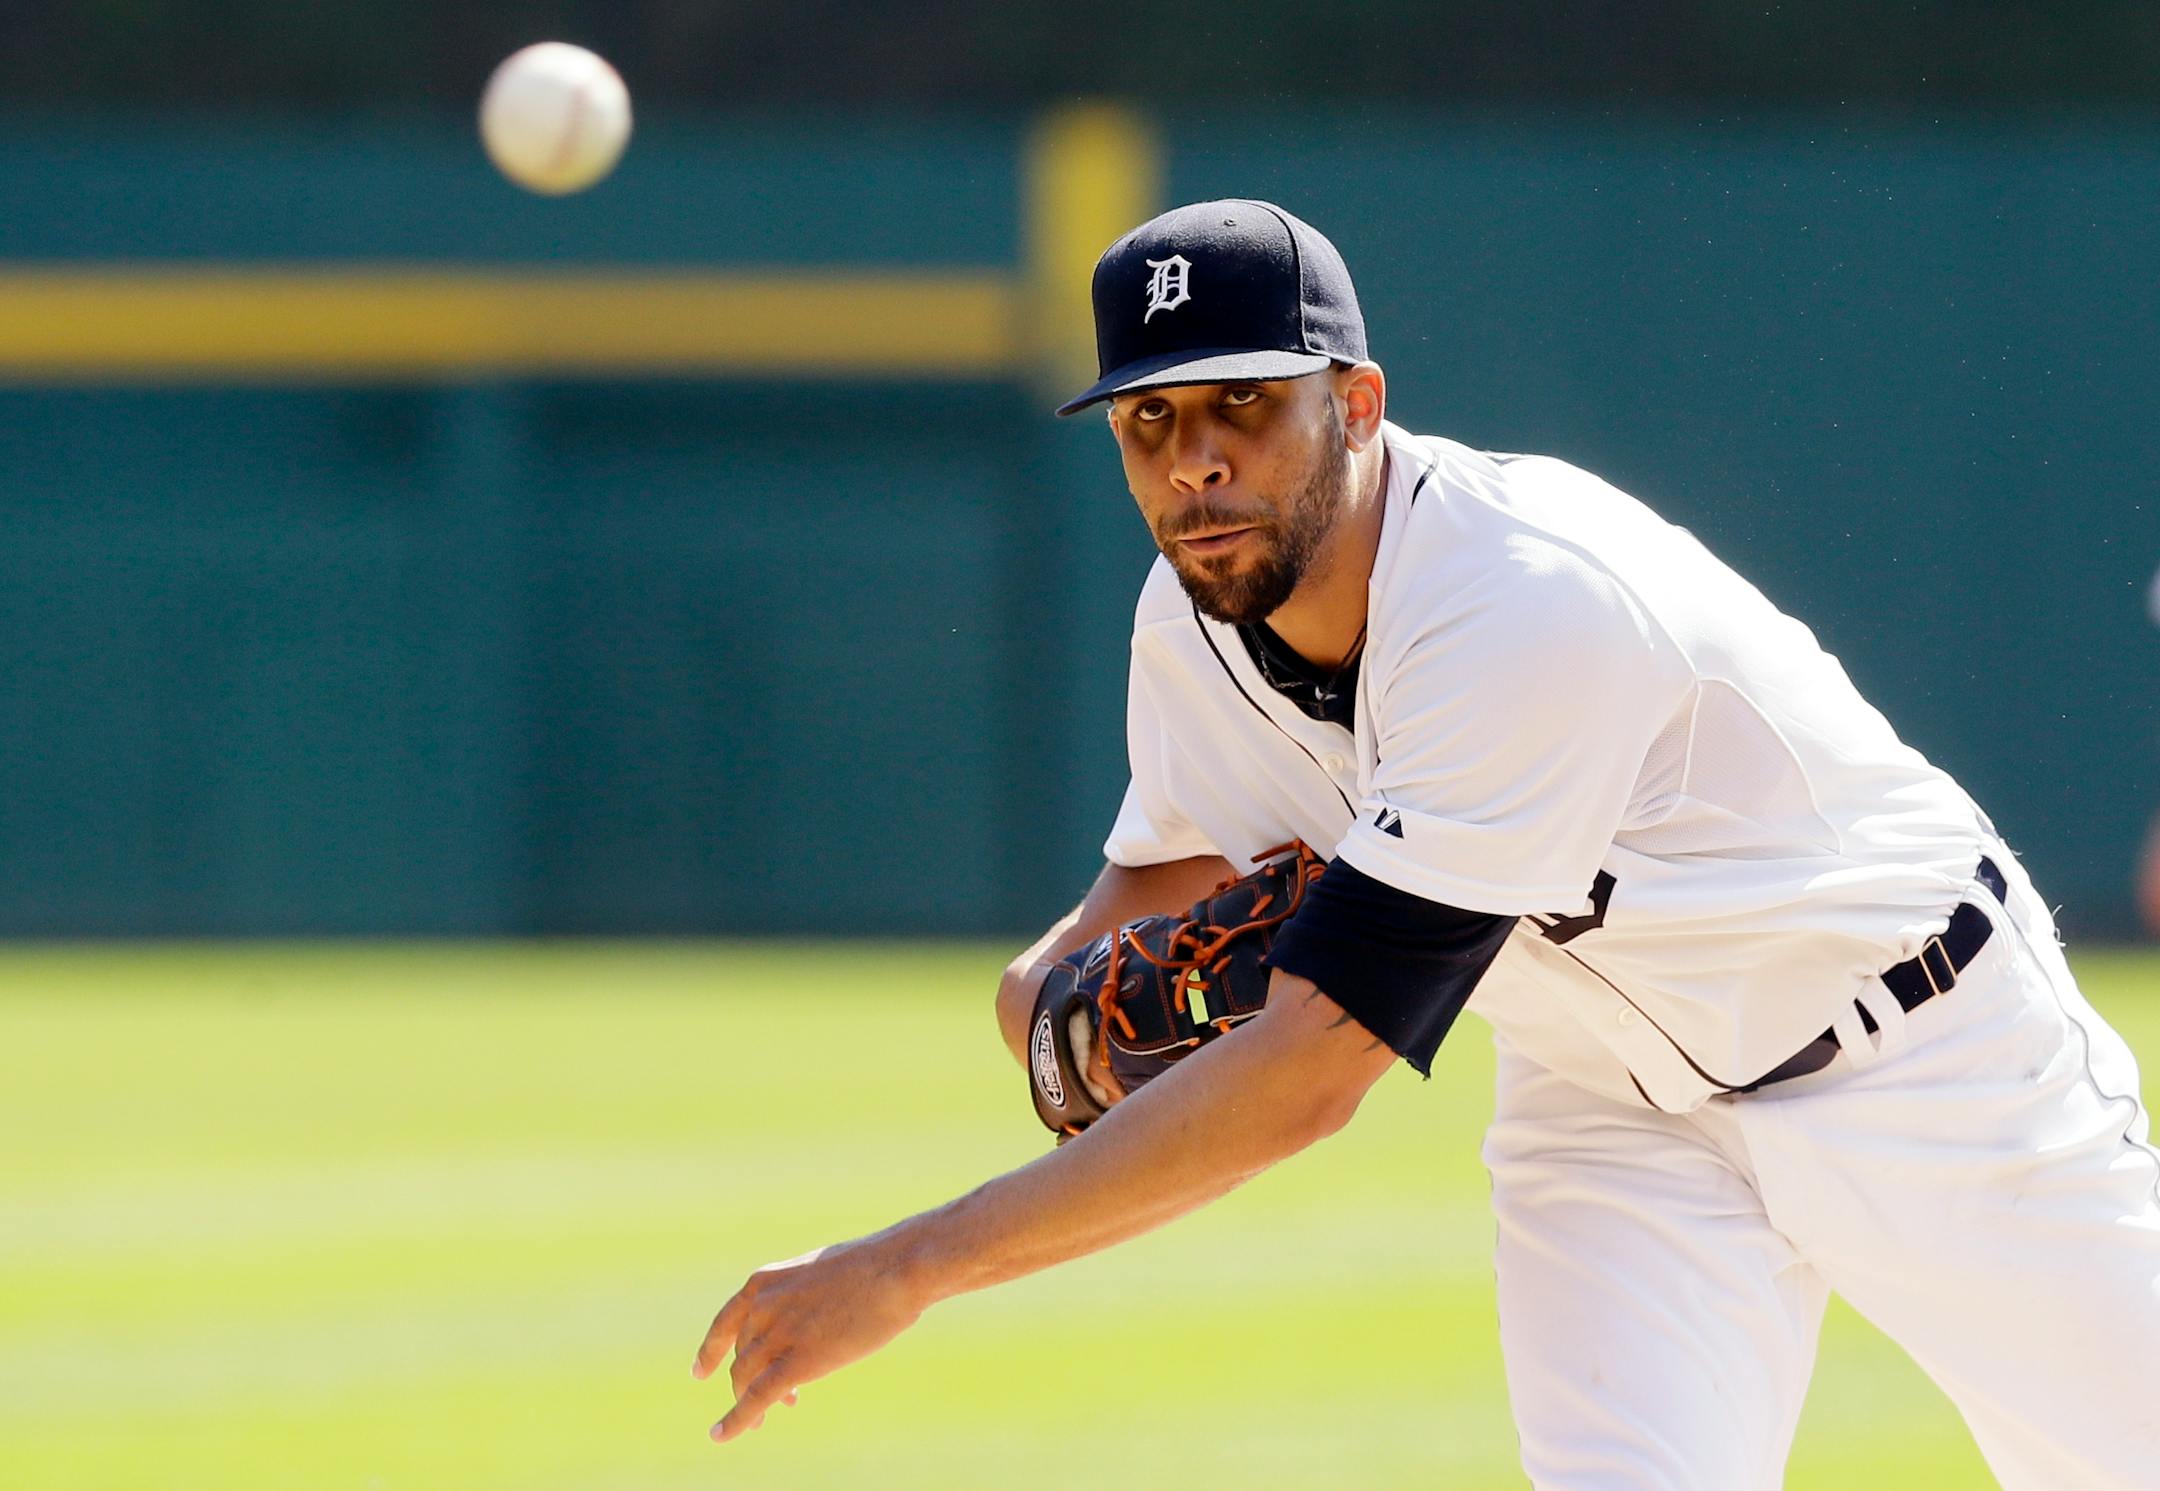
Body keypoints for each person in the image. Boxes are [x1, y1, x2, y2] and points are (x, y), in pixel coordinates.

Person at [691, 200, 2160, 1489]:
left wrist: (907, 1265)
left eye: (1242, 405)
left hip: (1916, 1050)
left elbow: (1308, 1079)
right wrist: (1053, 1009)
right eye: (1151, 421)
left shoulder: (1518, 601)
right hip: (1613, 1106)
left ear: (1358, 403)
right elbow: (1126, 920)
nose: (1195, 464)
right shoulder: (1188, 623)